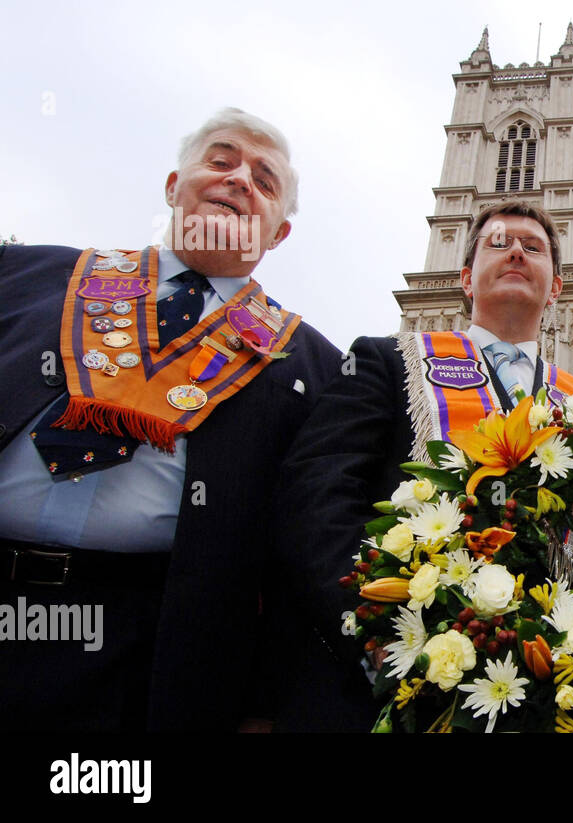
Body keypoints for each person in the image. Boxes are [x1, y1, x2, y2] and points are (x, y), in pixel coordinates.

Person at [0, 107, 339, 731]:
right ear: (171, 187)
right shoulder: (22, 275)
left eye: (265, 181)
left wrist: (266, 707)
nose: (239, 179)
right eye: (220, 160)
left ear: (278, 233)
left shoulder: (315, 366)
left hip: (145, 649)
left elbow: (303, 556)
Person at [272, 200, 573, 730]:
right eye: (499, 242)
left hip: (553, 684)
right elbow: (316, 497)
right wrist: (371, 622)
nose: (516, 250)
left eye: (533, 248)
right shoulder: (388, 360)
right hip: (402, 672)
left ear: (556, 286)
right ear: (466, 279)